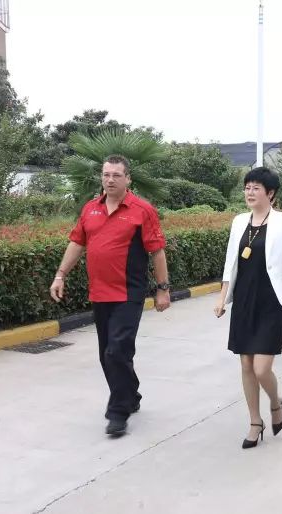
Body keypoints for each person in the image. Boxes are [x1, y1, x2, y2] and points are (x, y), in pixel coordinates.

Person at [49, 155, 171, 436]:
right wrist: (60, 274)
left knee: (118, 350)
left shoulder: (142, 210)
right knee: (107, 354)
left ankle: (118, 412)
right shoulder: (90, 209)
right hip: (99, 292)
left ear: (128, 179)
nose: (110, 180)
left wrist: (163, 289)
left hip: (129, 292)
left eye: (117, 175)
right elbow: (77, 243)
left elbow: (157, 251)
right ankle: (131, 393)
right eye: (106, 174)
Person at [214, 167, 282, 449]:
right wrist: (222, 297)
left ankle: (275, 402)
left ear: (270, 193)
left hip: (271, 300)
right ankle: (255, 422)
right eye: (247, 187)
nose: (250, 192)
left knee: (261, 368)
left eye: (256, 188)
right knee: (245, 363)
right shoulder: (238, 221)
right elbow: (230, 263)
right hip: (244, 299)